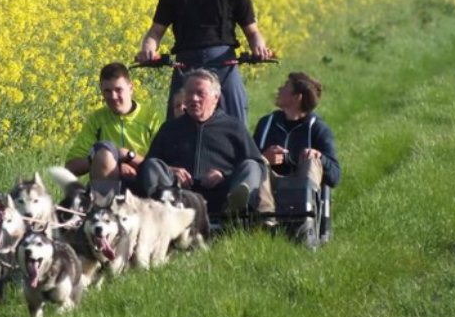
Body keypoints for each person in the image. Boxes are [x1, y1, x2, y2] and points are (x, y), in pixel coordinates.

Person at [136, 0, 273, 127]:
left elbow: (252, 32)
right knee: (177, 127)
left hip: (224, 66)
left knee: (236, 125)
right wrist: (148, 48)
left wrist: (259, 48)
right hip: (185, 65)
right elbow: (156, 32)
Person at [139, 69, 266, 214]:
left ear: (216, 97)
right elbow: (146, 166)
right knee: (152, 164)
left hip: (222, 193)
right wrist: (170, 170)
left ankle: (234, 212)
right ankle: (166, 211)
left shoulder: (234, 127)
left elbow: (259, 167)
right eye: (190, 93)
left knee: (252, 165)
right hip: (180, 197)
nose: (194, 98)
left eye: (200, 93)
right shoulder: (170, 128)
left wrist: (224, 175)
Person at [253, 72, 341, 243]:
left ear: (297, 97)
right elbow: (249, 161)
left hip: (302, 185)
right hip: (271, 185)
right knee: (258, 163)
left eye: (285, 87)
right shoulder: (267, 123)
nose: (279, 89)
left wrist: (319, 157)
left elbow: (335, 177)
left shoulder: (318, 129)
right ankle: (267, 224)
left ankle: (304, 224)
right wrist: (264, 157)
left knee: (312, 161)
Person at [65, 62, 162, 192]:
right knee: (104, 153)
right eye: (107, 91)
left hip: (143, 185)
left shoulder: (151, 118)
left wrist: (129, 157)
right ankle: (102, 209)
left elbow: (162, 167)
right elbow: (71, 167)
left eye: (118, 90)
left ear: (131, 88)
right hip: (108, 187)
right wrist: (107, 161)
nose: (113, 97)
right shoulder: (97, 119)